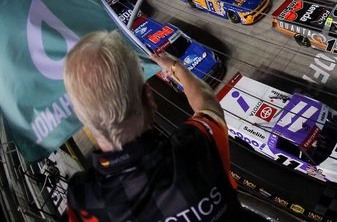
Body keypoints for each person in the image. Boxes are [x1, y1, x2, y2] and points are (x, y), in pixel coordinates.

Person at [63, 31, 244, 221]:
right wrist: (176, 67)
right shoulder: (195, 145)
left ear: (82, 117)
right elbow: (207, 103)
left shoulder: (84, 199)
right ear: (149, 97)